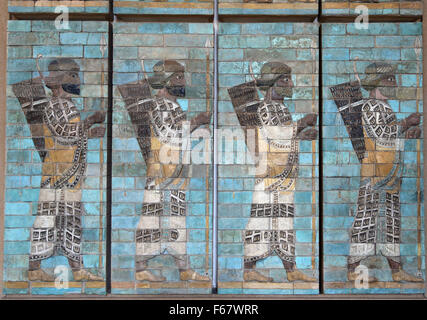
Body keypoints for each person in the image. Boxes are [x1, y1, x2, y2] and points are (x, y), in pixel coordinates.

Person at [12, 58, 106, 282]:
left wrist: (89, 133)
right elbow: (63, 132)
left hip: (70, 177)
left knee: (71, 221)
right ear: (57, 82)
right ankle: (34, 269)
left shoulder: (68, 106)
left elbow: (71, 138)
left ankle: (78, 269)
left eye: (77, 75)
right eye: (73, 75)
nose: (78, 80)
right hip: (56, 176)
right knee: (47, 220)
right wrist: (91, 121)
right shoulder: (54, 106)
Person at [118, 60, 211, 282]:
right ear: (167, 81)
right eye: (179, 77)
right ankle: (141, 268)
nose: (183, 81)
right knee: (152, 218)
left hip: (175, 173)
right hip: (161, 173)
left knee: (177, 219)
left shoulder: (173, 106)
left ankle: (184, 268)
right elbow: (168, 134)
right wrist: (197, 121)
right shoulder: (159, 105)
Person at [228, 62, 317, 282]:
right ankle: (249, 270)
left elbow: (282, 140)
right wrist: (301, 125)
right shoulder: (266, 108)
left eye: (289, 79)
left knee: (284, 221)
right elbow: (276, 135)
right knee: (260, 221)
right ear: (271, 84)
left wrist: (300, 135)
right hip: (268, 177)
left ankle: (291, 269)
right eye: (285, 80)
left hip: (283, 177)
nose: (291, 84)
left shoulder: (280, 108)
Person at [346, 62, 422, 282]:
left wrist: (408, 133)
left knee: (391, 222)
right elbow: (380, 135)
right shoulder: (370, 106)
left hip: (390, 174)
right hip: (375, 175)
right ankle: (353, 270)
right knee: (366, 221)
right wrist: (406, 123)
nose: (394, 83)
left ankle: (396, 271)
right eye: (390, 79)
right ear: (377, 82)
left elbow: (390, 139)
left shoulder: (385, 107)